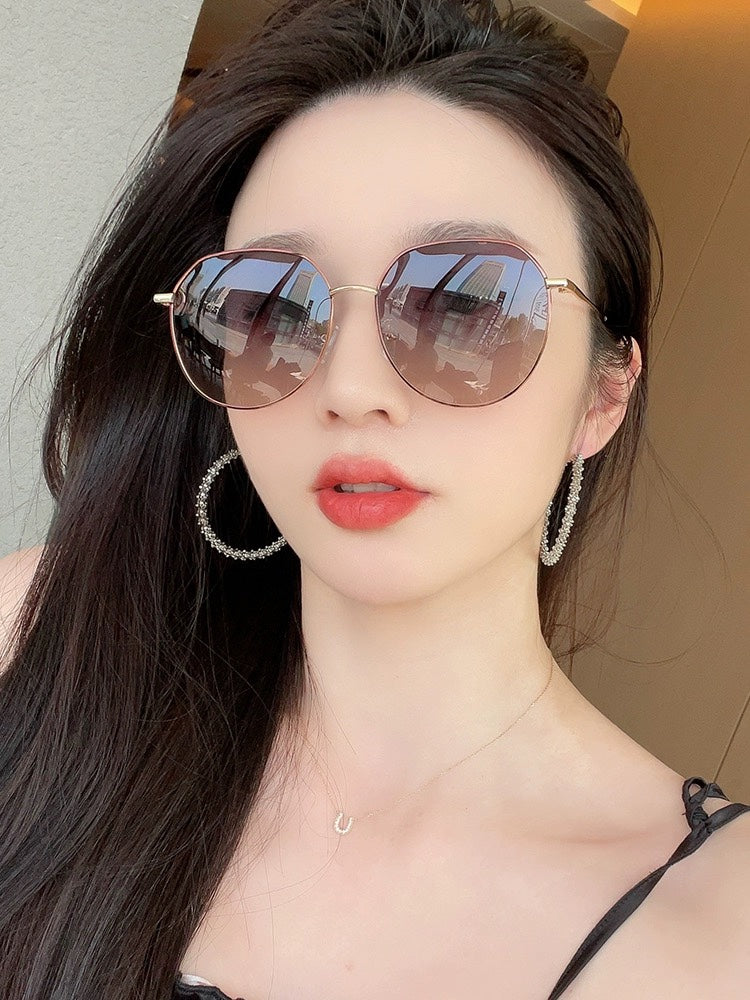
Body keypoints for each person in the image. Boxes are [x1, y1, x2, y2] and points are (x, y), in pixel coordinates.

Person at [0, 1, 747, 998]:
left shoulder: (720, 925)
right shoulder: (37, 641)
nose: (349, 387)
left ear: (602, 395)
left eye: (467, 304)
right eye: (270, 306)